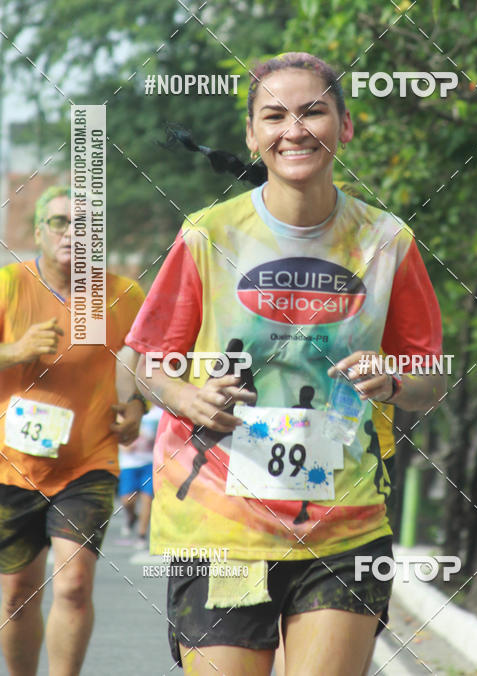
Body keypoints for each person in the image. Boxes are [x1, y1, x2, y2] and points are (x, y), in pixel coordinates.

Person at [127, 52, 444, 676]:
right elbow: (146, 361)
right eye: (274, 116)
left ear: (344, 126)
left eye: (313, 112)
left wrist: (395, 380)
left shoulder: (387, 242)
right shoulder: (208, 234)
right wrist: (187, 397)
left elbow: (430, 378)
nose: (294, 130)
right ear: (252, 135)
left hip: (345, 524)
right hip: (221, 526)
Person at [0, 186, 145, 676]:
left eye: (84, 224)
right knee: (18, 592)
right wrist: (16, 351)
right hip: (11, 465)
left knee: (74, 584)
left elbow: (151, 360)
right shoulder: (8, 285)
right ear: (38, 232)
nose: (72, 233)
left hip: (89, 462)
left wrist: (138, 405)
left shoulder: (124, 295)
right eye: (60, 222)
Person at [118, 405, 162, 547]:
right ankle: (132, 517)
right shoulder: (128, 409)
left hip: (150, 463)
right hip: (129, 463)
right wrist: (123, 445)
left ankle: (142, 535)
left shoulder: (159, 412)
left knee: (147, 500)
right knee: (127, 500)